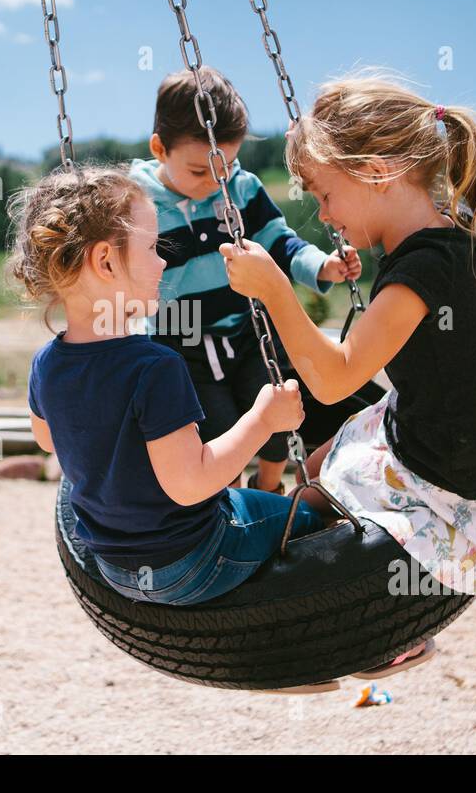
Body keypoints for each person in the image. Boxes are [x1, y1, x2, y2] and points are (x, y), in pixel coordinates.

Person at [221, 75, 476, 596]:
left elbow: (334, 380)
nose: (323, 215)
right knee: (318, 464)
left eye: (325, 195)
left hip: (446, 477)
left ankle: (316, 588)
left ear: (377, 172)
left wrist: (275, 288)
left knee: (317, 494)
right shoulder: (450, 237)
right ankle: (298, 523)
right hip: (467, 444)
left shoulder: (425, 268)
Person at [7, 164, 328, 606]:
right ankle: (335, 639)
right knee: (311, 516)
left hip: (112, 566)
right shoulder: (155, 366)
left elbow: (47, 441)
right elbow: (191, 485)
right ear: (105, 261)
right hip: (191, 562)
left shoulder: (46, 363)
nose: (163, 261)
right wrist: (263, 418)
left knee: (242, 500)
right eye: (154, 247)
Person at [130, 66, 362, 494]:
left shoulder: (242, 190)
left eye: (227, 166)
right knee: (218, 431)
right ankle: (229, 506)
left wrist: (322, 266)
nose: (215, 182)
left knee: (279, 410)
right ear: (160, 149)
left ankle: (270, 488)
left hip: (248, 330)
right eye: (200, 172)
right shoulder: (138, 203)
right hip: (183, 344)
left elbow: (279, 240)